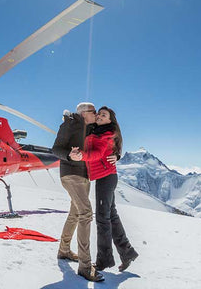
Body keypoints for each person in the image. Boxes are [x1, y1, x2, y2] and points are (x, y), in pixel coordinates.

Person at [71, 106, 138, 272]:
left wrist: (83, 156)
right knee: (111, 216)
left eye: (103, 114)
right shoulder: (96, 131)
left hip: (106, 177)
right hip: (105, 176)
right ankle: (127, 252)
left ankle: (104, 260)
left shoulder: (107, 134)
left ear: (110, 120)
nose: (100, 116)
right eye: (99, 114)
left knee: (102, 218)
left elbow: (98, 153)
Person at [52, 102, 104, 282]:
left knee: (75, 213)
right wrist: (69, 155)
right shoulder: (70, 124)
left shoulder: (91, 129)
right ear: (83, 114)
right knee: (86, 213)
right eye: (94, 112)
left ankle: (64, 250)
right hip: (70, 174)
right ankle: (84, 266)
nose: (96, 114)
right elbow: (56, 149)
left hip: (84, 176)